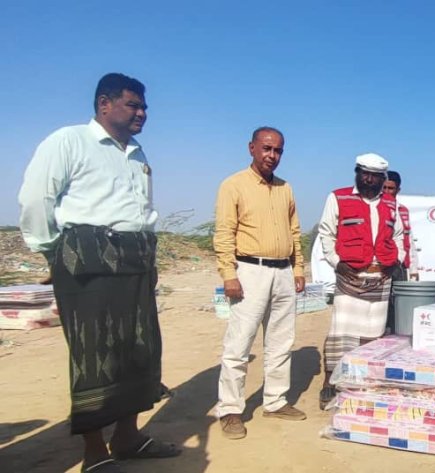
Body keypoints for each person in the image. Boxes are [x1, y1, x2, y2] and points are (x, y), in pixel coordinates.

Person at [18, 73, 180, 473]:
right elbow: (36, 199)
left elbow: (140, 214)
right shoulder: (69, 141)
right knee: (95, 356)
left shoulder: (137, 153)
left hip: (136, 261)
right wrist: (54, 252)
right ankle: (95, 453)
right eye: (133, 105)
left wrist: (148, 259)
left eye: (144, 107)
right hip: (88, 262)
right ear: (104, 104)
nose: (142, 113)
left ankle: (128, 438)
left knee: (138, 350)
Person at [213, 126, 307, 440]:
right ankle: (230, 410)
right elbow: (224, 233)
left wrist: (298, 269)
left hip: (283, 272)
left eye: (278, 150)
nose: (272, 156)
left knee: (281, 341)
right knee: (239, 344)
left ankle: (275, 401)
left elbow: (294, 232)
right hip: (249, 271)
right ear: (252, 147)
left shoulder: (285, 188)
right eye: (267, 148)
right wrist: (228, 274)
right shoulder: (233, 185)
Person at [318, 153, 405, 409]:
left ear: (383, 179)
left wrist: (395, 259)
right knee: (341, 333)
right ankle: (329, 383)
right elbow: (326, 232)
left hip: (381, 277)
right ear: (357, 173)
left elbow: (398, 235)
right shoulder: (338, 197)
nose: (369, 180)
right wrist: (336, 262)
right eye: (364, 174)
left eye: (375, 176)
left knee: (372, 334)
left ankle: (362, 384)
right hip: (350, 276)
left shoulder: (391, 204)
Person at [383, 170, 419, 281]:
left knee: (398, 298)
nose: (386, 191)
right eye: (384, 187)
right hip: (381, 265)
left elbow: (409, 241)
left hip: (399, 267)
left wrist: (414, 270)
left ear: (398, 190)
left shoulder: (402, 211)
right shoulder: (373, 208)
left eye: (390, 188)